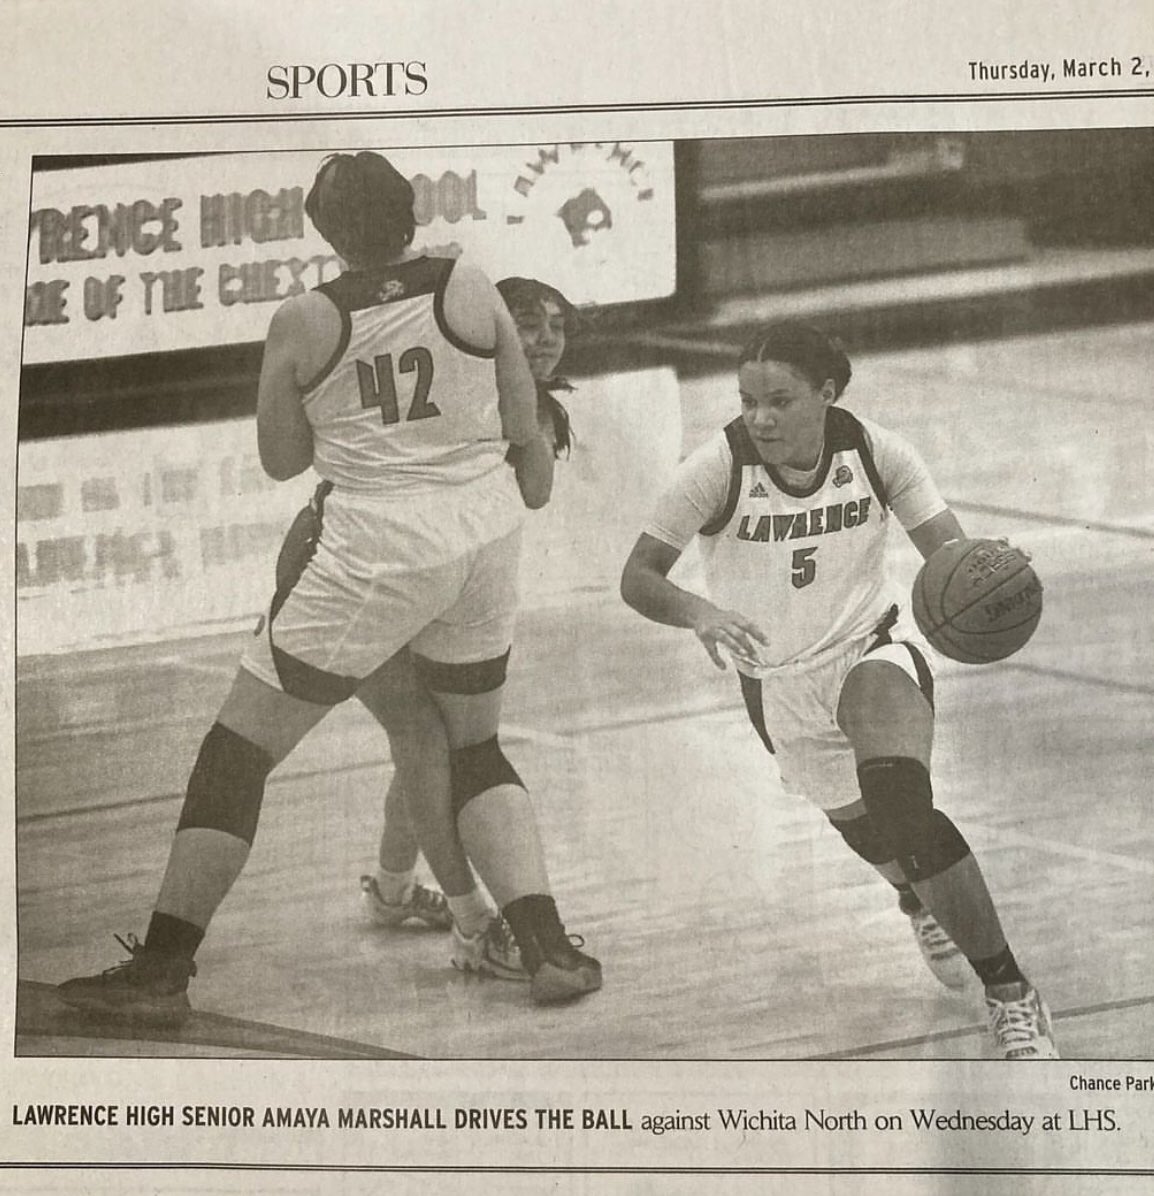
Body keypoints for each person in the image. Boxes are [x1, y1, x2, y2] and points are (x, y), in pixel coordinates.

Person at [57, 151, 600, 1026]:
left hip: (377, 543)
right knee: (472, 747)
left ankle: (162, 968)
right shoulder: (469, 281)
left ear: (324, 231)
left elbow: (282, 460)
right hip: (486, 534)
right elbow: (519, 419)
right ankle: (546, 945)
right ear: (412, 212)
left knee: (239, 750)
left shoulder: (306, 317)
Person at [619, 321, 1057, 1059]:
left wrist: (990, 569)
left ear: (827, 393)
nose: (760, 417)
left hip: (873, 645)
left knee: (903, 808)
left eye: (780, 400)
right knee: (871, 834)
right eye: (748, 400)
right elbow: (638, 576)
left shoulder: (878, 453)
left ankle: (1011, 993)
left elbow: (947, 557)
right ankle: (916, 896)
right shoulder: (716, 467)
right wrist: (701, 611)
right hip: (778, 680)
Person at [359, 277, 575, 967]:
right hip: (377, 578)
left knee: (422, 746)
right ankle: (469, 920)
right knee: (435, 750)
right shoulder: (475, 394)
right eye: (526, 324)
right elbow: (535, 491)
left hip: (416, 583)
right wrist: (525, 418)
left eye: (555, 326)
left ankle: (392, 893)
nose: (543, 339)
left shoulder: (504, 396)